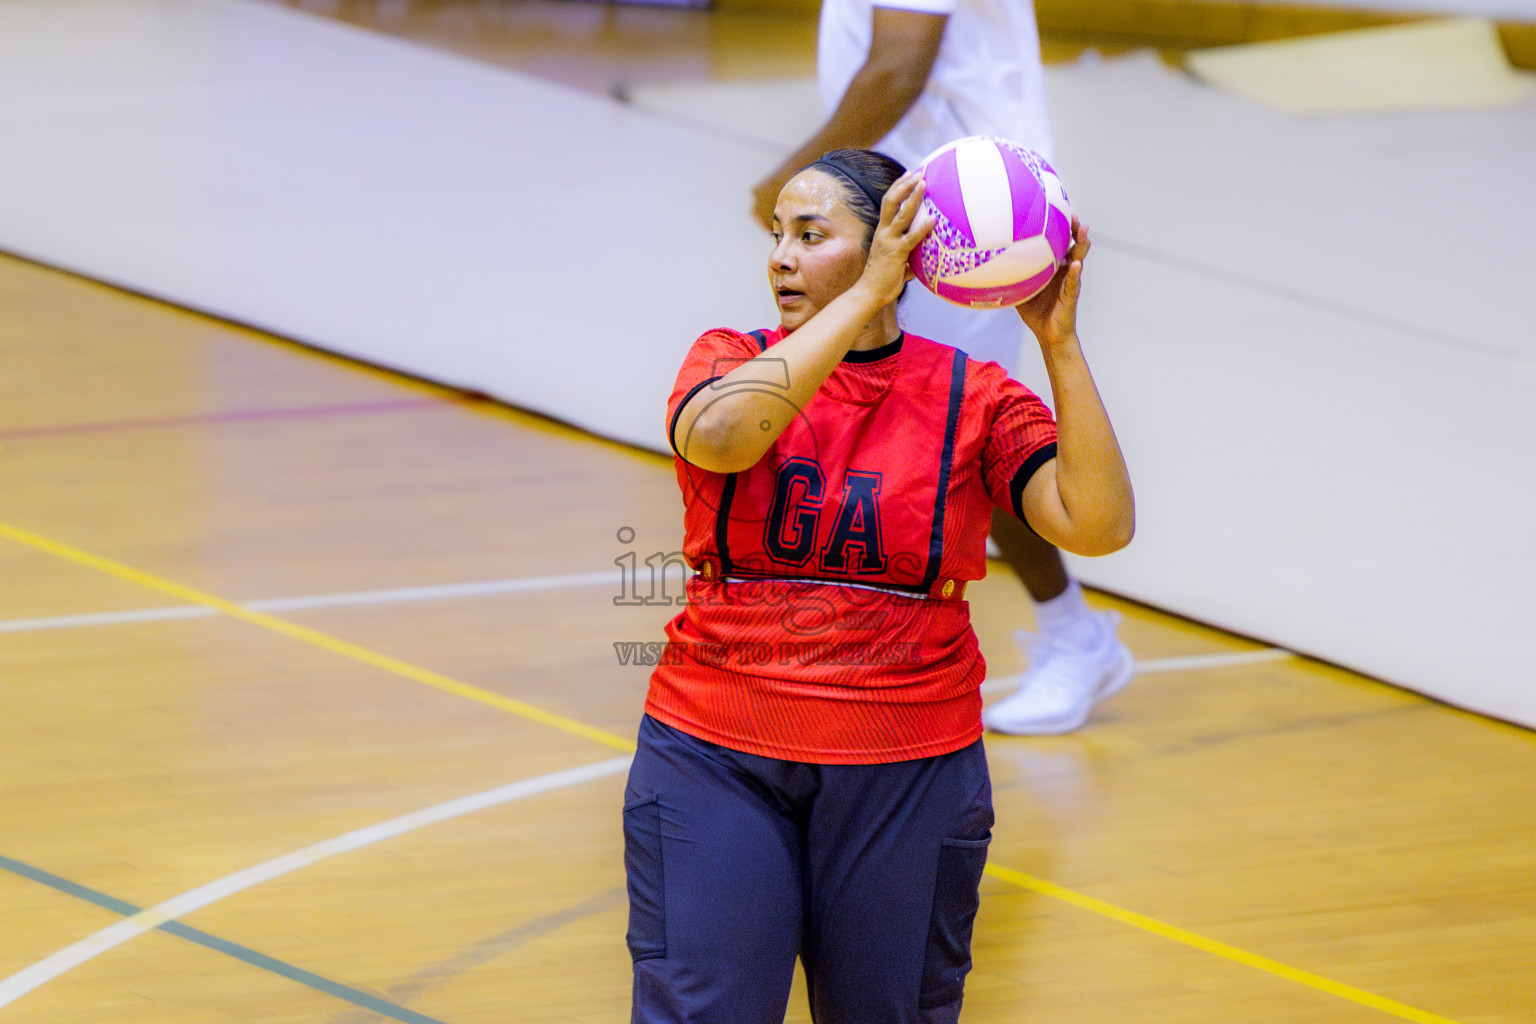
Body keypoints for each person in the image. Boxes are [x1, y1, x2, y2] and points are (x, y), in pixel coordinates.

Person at [625, 150, 1132, 1023]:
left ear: (896, 244)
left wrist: (1059, 342)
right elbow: (717, 438)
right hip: (715, 752)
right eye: (778, 234)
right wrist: (862, 294)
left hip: (908, 766)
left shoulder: (974, 396)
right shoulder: (727, 357)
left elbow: (1098, 524)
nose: (780, 255)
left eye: (811, 234)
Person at [751, 0, 1133, 735]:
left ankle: (1073, 636)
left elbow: (898, 66)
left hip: (967, 221)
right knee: (872, 417)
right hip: (909, 208)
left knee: (959, 441)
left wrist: (794, 184)